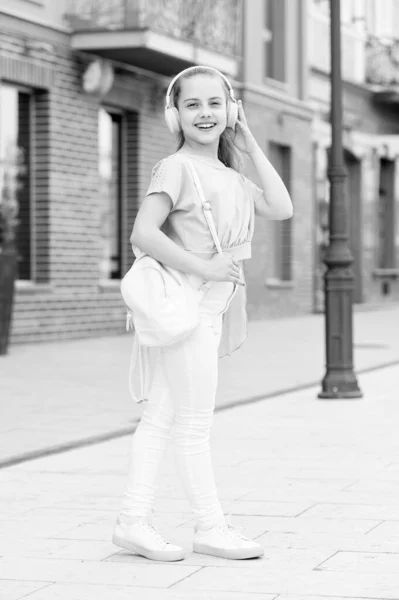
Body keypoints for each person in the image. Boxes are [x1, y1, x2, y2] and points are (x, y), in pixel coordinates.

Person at [113, 65, 293, 562]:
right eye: (192, 104)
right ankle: (210, 527)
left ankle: (132, 521)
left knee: (160, 417)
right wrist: (206, 269)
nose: (205, 113)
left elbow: (281, 206)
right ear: (175, 116)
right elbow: (143, 233)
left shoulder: (232, 176)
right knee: (191, 425)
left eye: (216, 103)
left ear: (231, 109)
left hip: (208, 313)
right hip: (188, 307)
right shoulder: (177, 168)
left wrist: (250, 140)